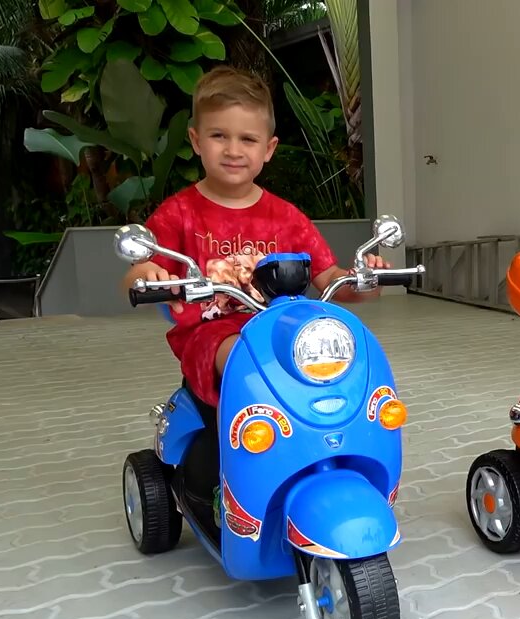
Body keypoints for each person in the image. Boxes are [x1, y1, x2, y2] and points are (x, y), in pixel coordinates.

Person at [121, 65, 390, 409]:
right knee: (246, 354)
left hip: (284, 329)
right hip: (212, 335)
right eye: (219, 136)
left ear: (268, 148)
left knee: (344, 352)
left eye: (248, 139)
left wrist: (367, 278)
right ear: (196, 141)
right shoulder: (179, 214)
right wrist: (147, 275)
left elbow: (329, 278)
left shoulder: (287, 218)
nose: (234, 150)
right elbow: (135, 275)